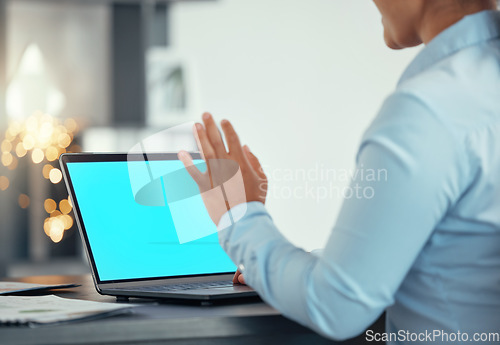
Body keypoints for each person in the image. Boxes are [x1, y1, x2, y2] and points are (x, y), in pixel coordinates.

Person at [178, 0, 500, 343]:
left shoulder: (427, 110)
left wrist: (237, 214)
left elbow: (336, 305)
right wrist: (335, 266)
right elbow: (459, 264)